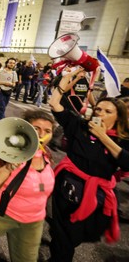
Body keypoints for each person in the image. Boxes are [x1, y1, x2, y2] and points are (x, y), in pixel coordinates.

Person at [48, 67, 129, 262]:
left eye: (107, 111)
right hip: (65, 190)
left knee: (71, 237)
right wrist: (64, 83)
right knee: (61, 238)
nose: (100, 113)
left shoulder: (121, 139)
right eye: (98, 109)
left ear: (117, 117)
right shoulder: (79, 125)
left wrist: (103, 137)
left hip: (92, 198)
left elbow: (126, 161)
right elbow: (54, 104)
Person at [0, 109, 56, 262]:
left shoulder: (47, 155)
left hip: (33, 220)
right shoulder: (6, 150)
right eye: (36, 129)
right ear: (25, 128)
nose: (41, 134)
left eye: (47, 131)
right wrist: (9, 167)